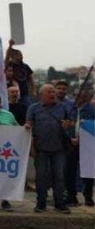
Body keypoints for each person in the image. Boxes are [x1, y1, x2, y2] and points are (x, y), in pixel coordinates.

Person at [25, 84, 73, 213]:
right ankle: (41, 203)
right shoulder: (33, 108)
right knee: (41, 177)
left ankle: (59, 203)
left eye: (53, 91)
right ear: (42, 94)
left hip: (59, 148)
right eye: (49, 91)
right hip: (40, 148)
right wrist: (31, 146)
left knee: (59, 176)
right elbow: (28, 126)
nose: (53, 93)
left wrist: (68, 125)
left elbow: (70, 123)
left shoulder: (63, 107)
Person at [66, 96, 95, 207]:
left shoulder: (92, 109)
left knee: (88, 171)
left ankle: (88, 196)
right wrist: (70, 138)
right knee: (70, 171)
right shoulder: (69, 108)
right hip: (71, 144)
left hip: (87, 144)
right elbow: (65, 125)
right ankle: (71, 196)